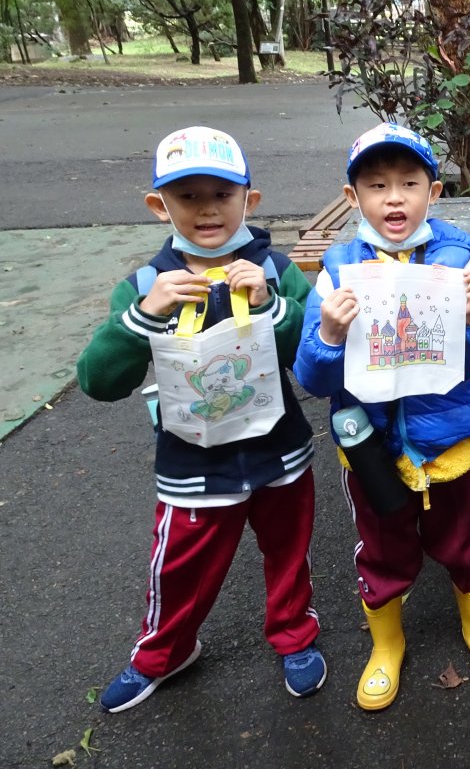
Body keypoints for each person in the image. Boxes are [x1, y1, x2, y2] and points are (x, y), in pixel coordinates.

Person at [77, 126, 325, 712]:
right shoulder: (146, 286)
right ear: (158, 205)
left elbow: (314, 359)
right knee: (180, 566)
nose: (207, 209)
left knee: (288, 552)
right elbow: (99, 381)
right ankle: (164, 652)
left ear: (250, 200)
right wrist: (143, 317)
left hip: (278, 453)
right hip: (192, 465)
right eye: (187, 196)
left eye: (222, 194)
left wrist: (274, 306)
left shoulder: (275, 270)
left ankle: (294, 634)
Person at [293, 123, 470, 711]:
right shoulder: (339, 269)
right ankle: (386, 644)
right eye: (376, 185)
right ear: (352, 196)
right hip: (372, 450)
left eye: (409, 183)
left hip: (449, 444)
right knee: (382, 552)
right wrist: (329, 334)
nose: (394, 198)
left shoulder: (462, 257)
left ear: (433, 192)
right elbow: (313, 378)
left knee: (464, 543)